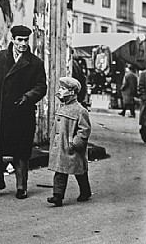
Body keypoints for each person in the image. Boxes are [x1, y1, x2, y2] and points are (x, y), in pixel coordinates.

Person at [0, 25, 47, 199]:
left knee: (21, 151)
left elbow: (41, 86)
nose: (23, 44)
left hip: (21, 111)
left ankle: (21, 186)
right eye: (19, 40)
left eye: (26, 40)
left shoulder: (35, 62)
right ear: (13, 39)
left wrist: (28, 97)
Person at [47, 77, 92, 207]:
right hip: (60, 145)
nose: (60, 90)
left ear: (72, 92)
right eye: (60, 88)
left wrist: (75, 143)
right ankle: (58, 196)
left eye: (63, 88)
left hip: (71, 147)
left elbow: (84, 129)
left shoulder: (80, 110)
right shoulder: (62, 107)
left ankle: (85, 191)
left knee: (79, 171)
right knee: (60, 170)